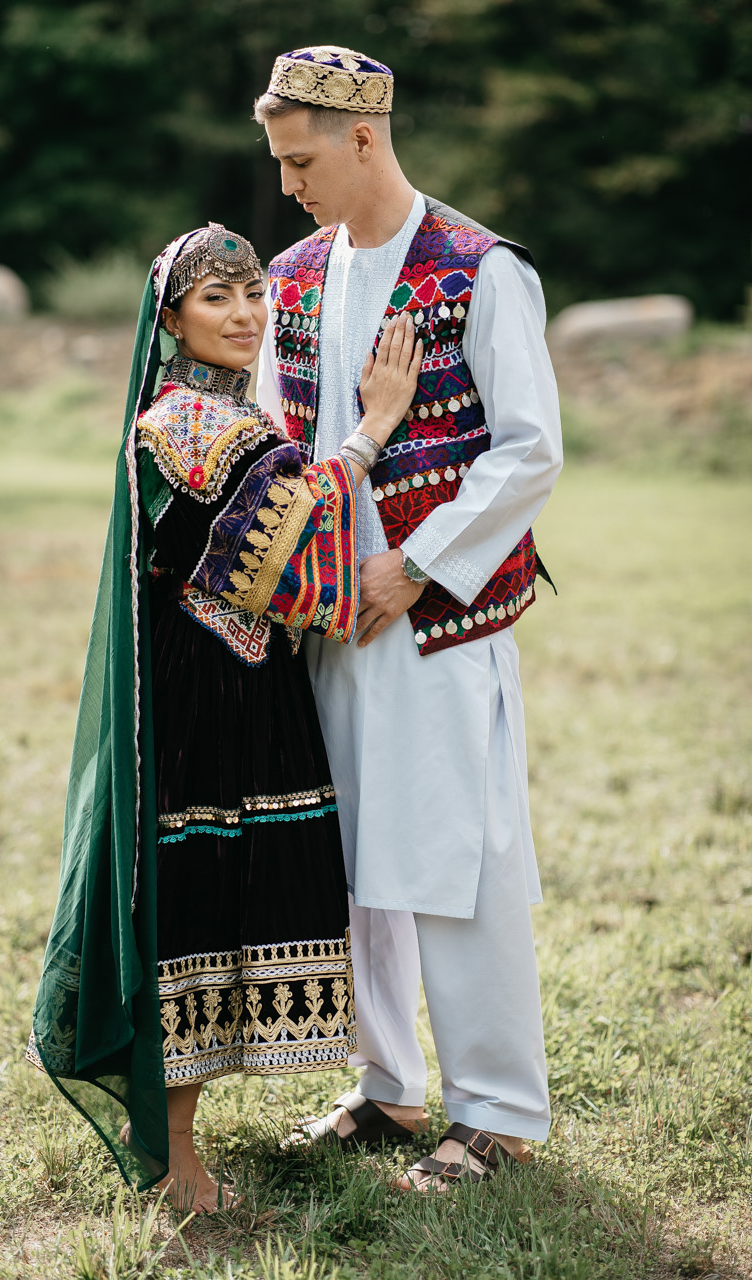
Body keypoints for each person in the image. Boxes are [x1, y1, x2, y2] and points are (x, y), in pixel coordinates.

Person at [27, 223, 421, 1213]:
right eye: (216, 298)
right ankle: (173, 1156)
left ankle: (179, 1137)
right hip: (205, 695)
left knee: (216, 892)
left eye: (253, 293)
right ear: (170, 319)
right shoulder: (193, 424)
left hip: (242, 683)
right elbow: (284, 543)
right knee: (192, 902)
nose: (245, 314)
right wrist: (374, 428)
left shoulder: (229, 413)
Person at [254, 47, 563, 1191]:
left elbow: (529, 450)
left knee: (458, 859)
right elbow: (279, 439)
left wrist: (418, 567)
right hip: (326, 624)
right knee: (354, 863)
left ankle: (497, 1112)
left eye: (301, 160)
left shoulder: (481, 270)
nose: (287, 183)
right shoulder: (291, 277)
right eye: (277, 161)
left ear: (363, 137)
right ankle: (384, 1083)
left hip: (438, 621)